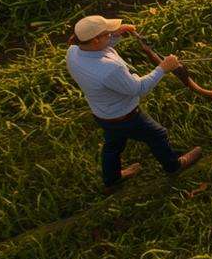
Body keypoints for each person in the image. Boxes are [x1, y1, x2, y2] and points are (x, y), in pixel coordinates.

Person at [65, 14, 202, 191]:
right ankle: (173, 166)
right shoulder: (109, 70)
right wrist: (163, 68)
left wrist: (116, 35)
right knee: (158, 134)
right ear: (96, 40)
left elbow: (100, 49)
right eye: (107, 33)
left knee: (113, 146)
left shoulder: (74, 52)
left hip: (102, 113)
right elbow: (139, 88)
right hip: (124, 116)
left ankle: (112, 179)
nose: (111, 33)